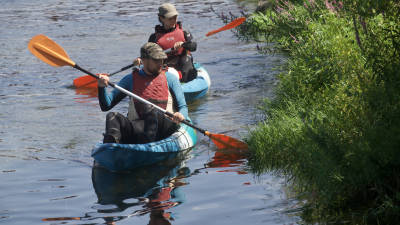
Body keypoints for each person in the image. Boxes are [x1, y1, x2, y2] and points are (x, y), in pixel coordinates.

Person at [98, 42, 188, 144]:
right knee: (112, 116)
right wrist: (101, 87)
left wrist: (180, 114)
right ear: (144, 60)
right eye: (156, 60)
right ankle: (110, 148)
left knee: (149, 108)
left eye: (162, 59)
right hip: (140, 127)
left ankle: (145, 147)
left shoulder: (170, 78)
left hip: (164, 128)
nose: (160, 63)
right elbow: (106, 106)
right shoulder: (130, 79)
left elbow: (183, 106)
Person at [134, 3, 198, 83]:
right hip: (165, 64)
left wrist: (183, 44)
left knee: (186, 60)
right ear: (161, 18)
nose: (174, 20)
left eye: (175, 17)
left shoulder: (184, 32)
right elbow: (147, 54)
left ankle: (183, 78)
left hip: (182, 61)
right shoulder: (154, 37)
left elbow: (193, 47)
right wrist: (140, 59)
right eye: (170, 18)